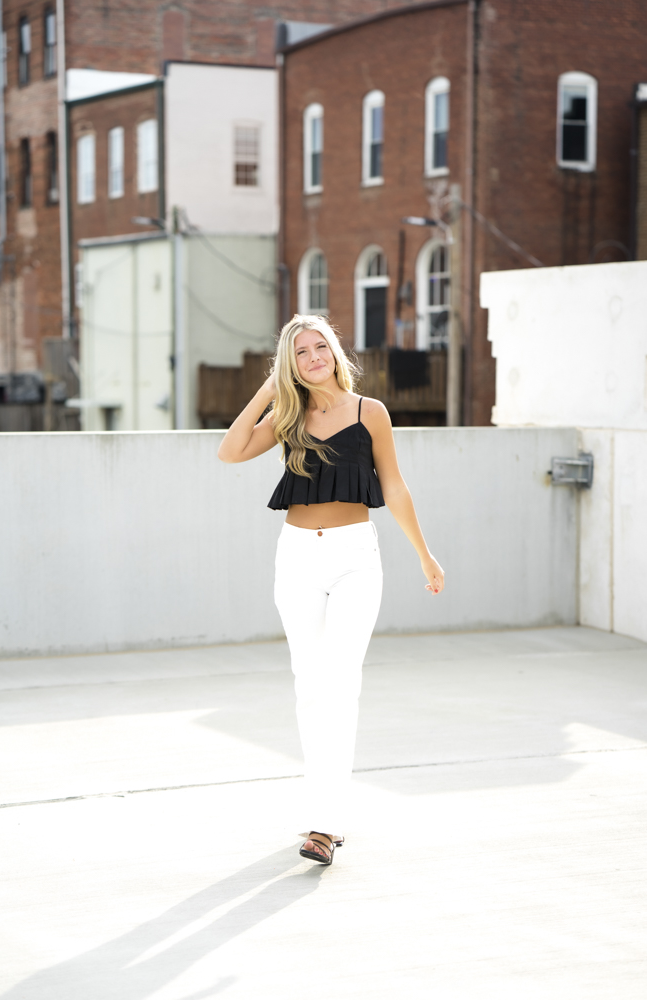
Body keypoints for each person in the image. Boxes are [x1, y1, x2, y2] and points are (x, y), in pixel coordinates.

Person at [218, 314, 444, 866]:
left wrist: (424, 552)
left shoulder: (371, 413)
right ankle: (323, 809)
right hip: (296, 558)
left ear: (335, 351)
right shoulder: (289, 416)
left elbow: (393, 485)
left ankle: (324, 824)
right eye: (300, 352)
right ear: (289, 363)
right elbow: (230, 451)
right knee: (310, 686)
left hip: (354, 559)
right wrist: (269, 391)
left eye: (321, 345)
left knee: (340, 683)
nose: (314, 356)